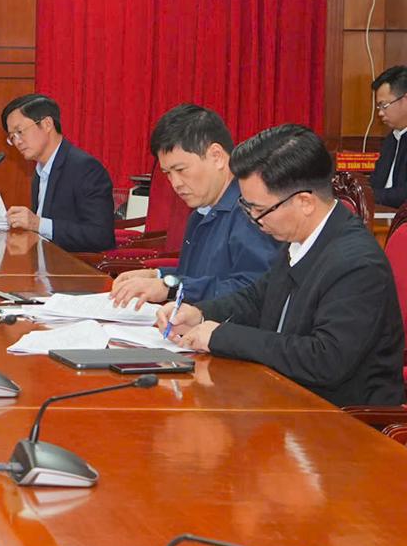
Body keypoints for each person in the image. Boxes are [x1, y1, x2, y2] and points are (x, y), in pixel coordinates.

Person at [163, 124, 405, 408]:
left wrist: (221, 336)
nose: (254, 219)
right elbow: (258, 298)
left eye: (259, 209)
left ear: (305, 202)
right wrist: (200, 314)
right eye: (247, 207)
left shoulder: (357, 264)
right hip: (281, 396)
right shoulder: (299, 238)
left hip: (340, 419)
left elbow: (324, 359)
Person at [110, 105, 277, 307]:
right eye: (168, 173)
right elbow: (197, 277)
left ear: (216, 156)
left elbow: (254, 290)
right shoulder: (201, 212)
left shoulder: (252, 211)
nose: (175, 183)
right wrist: (157, 275)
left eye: (181, 170)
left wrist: (171, 288)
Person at [0, 93, 115, 253]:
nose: (17, 141)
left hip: (73, 266)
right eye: (12, 137)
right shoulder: (40, 171)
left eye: (20, 131)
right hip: (44, 261)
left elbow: (101, 236)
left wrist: (37, 224)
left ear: (47, 124)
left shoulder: (85, 168)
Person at [370, 66, 407, 211]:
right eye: (378, 107)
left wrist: (368, 195)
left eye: (384, 105)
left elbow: (403, 195)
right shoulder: (391, 140)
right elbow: (376, 182)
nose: (380, 113)